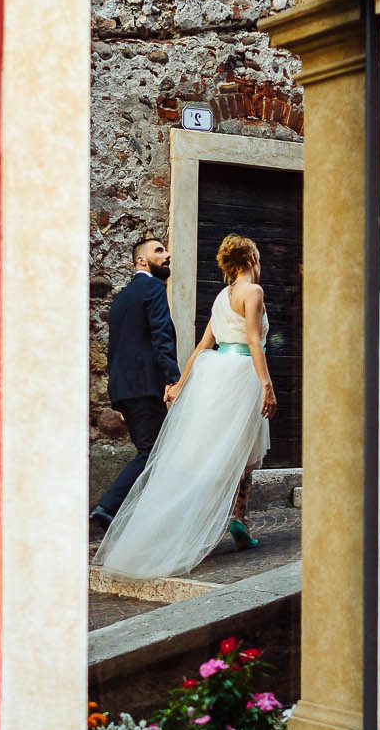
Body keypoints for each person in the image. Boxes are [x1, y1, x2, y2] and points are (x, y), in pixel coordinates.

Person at [93, 234, 276, 580]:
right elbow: (254, 341)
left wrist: (181, 383)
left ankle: (239, 520)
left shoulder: (222, 297)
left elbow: (202, 346)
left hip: (214, 375)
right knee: (238, 457)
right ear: (251, 257)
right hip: (241, 376)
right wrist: (266, 384)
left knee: (214, 453)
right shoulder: (253, 293)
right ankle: (229, 519)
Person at [90, 237, 180, 533]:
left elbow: (115, 348)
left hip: (127, 390)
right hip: (145, 387)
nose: (167, 255)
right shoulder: (152, 288)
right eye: (159, 251)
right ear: (141, 260)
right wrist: (173, 378)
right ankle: (106, 509)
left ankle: (148, 521)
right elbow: (161, 335)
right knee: (153, 453)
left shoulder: (123, 297)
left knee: (155, 453)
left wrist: (118, 399)